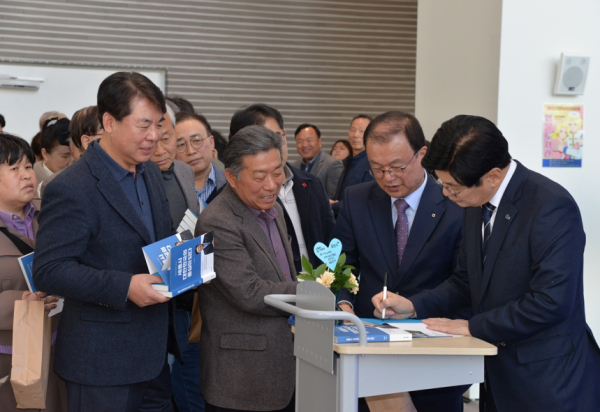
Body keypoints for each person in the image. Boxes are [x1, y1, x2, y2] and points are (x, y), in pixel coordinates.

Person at [372, 115, 600, 412]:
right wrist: (414, 306)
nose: (446, 194)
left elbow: (551, 302)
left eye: (453, 187)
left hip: (549, 381)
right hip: (497, 377)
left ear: (492, 176)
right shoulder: (475, 202)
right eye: (443, 183)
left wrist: (473, 326)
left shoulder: (550, 205)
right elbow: (465, 281)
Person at [33, 71, 177, 412]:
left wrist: (188, 261)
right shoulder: (72, 187)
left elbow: (157, 240)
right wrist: (125, 286)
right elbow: (50, 270)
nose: (154, 136)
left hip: (154, 356)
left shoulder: (150, 172)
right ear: (110, 122)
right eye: (144, 125)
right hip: (102, 363)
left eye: (158, 125)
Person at [333, 111, 467, 412]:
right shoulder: (356, 199)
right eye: (377, 169)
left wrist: (415, 305)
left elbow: (463, 281)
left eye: (397, 167)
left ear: (422, 154)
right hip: (367, 351)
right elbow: (342, 264)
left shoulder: (457, 204)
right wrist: (343, 303)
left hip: (434, 354)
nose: (388, 178)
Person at [195, 125, 298, 412]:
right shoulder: (218, 221)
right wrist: (310, 292)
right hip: (241, 378)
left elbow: (281, 273)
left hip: (283, 368)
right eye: (260, 176)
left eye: (277, 172)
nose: (271, 185)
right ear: (231, 177)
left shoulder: (273, 208)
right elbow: (249, 292)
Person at [0, 133, 65, 412]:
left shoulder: (50, 213)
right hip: (9, 355)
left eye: (28, 166)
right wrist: (20, 302)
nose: (26, 175)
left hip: (59, 347)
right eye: (14, 168)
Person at [229, 104, 335, 271]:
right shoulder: (234, 198)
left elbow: (330, 237)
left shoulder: (312, 184)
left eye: (278, 137)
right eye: (263, 140)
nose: (275, 147)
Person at [150, 100, 204, 412]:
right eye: (152, 141)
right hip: (150, 303)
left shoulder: (184, 172)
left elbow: (191, 226)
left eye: (167, 138)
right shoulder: (137, 176)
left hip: (186, 300)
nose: (160, 150)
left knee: (188, 384)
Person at [175, 112, 226, 211]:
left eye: (197, 141)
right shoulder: (167, 188)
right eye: (181, 144)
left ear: (211, 142)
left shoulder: (231, 184)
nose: (191, 151)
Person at [332, 114, 374, 215]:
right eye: (353, 130)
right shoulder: (349, 161)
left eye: (361, 131)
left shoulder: (372, 163)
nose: (355, 135)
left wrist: (333, 206)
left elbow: (364, 199)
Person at [293, 123, 343, 198]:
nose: (304, 145)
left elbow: (334, 198)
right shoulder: (294, 166)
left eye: (309, 140)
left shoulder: (332, 164)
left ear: (319, 142)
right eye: (300, 141)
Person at [34, 117, 73, 197]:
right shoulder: (32, 181)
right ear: (45, 154)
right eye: (65, 156)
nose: (72, 161)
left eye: (74, 154)